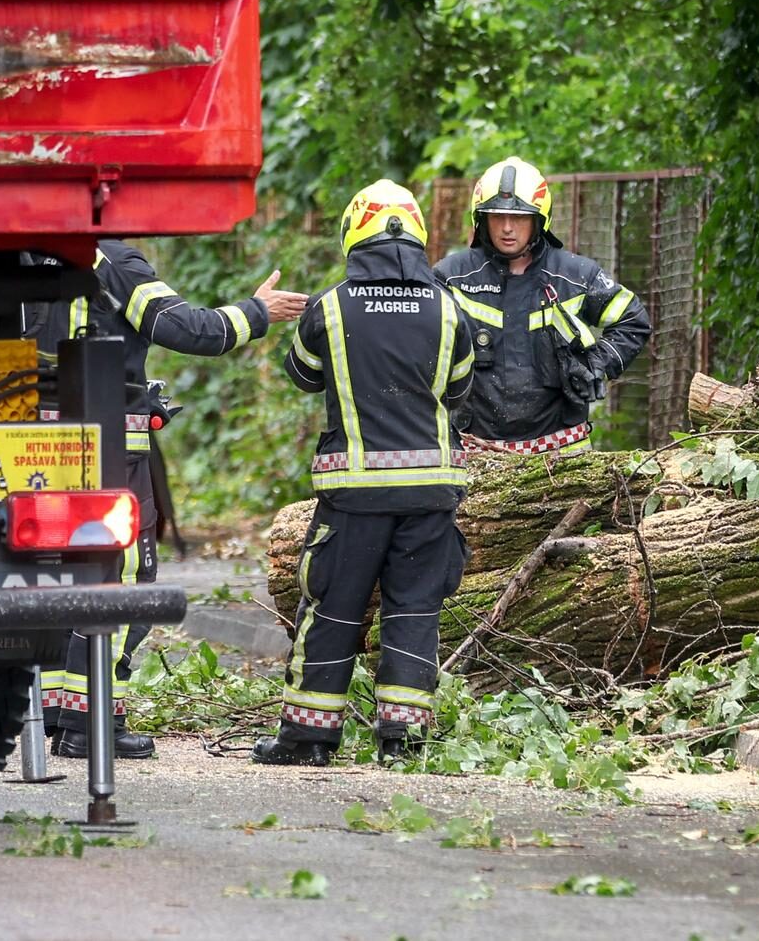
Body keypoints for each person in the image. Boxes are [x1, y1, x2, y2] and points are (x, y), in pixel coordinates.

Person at [34, 241, 307, 759]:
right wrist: (258, 312)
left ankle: (56, 710)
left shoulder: (15, 252)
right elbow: (187, 329)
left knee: (53, 573)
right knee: (125, 579)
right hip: (107, 449)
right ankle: (91, 723)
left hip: (29, 448)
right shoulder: (111, 262)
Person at [252, 180, 474, 767]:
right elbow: (459, 388)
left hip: (352, 496)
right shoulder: (450, 308)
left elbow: (302, 374)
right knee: (414, 610)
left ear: (354, 234)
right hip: (430, 493)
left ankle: (309, 738)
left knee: (332, 608)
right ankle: (402, 740)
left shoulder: (329, 306)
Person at [434, 156, 651, 454]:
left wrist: (595, 365)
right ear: (481, 219)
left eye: (519, 217)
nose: (507, 227)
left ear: (539, 219)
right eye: (497, 216)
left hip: (563, 453)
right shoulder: (451, 277)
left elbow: (633, 320)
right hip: (476, 452)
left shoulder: (575, 276)